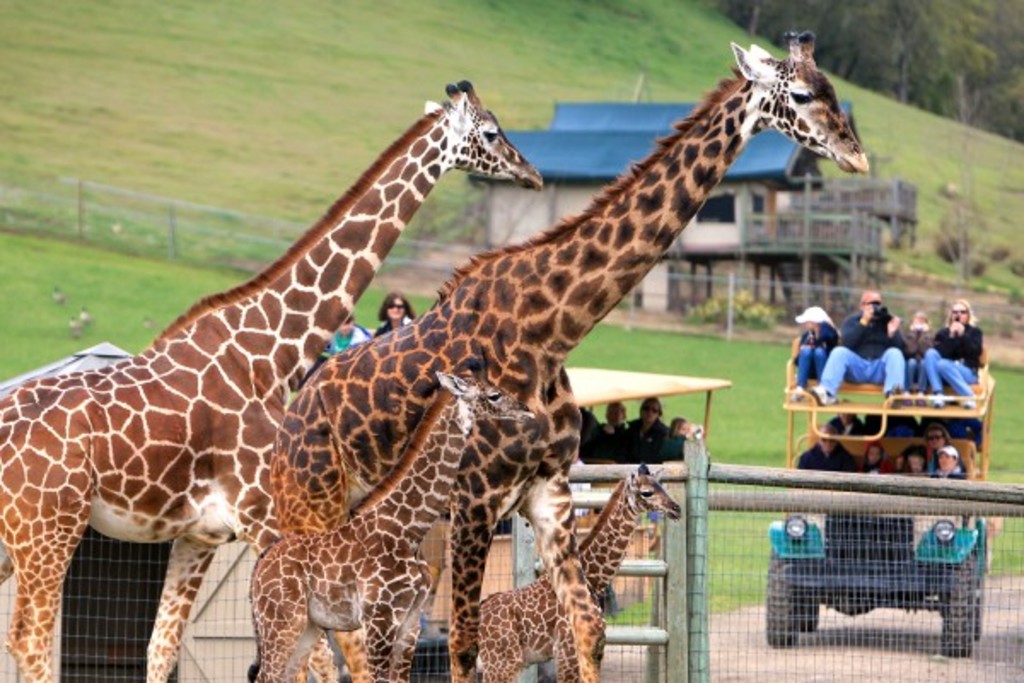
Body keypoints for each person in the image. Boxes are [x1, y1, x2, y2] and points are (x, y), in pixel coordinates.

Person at [809, 290, 906, 406]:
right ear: (862, 306)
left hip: (879, 368)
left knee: (894, 353)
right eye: (871, 304)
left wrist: (892, 334)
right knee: (839, 352)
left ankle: (893, 396)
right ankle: (826, 393)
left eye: (878, 304)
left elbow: (901, 351)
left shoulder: (887, 321)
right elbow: (846, 343)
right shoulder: (852, 321)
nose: (875, 307)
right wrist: (863, 322)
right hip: (857, 368)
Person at [923, 299, 983, 410]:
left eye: (962, 312)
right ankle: (938, 394)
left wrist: (963, 335)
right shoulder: (943, 333)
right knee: (931, 354)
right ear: (951, 315)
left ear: (968, 314)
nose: (958, 315)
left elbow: (975, 352)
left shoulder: (975, 332)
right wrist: (951, 336)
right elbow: (942, 354)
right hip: (945, 371)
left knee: (943, 364)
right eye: (955, 312)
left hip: (967, 371)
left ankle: (968, 396)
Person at [300, 316, 372, 385]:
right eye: (342, 325)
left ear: (353, 323)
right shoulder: (333, 334)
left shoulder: (361, 338)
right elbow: (322, 348)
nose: (345, 328)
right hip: (335, 363)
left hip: (352, 365)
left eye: (348, 324)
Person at [791, 305, 838, 402]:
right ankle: (801, 386)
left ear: (815, 322)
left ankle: (824, 389)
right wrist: (804, 350)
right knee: (807, 351)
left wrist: (825, 326)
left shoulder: (829, 335)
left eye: (807, 322)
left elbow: (831, 338)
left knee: (819, 352)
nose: (804, 324)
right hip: (809, 371)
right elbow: (797, 360)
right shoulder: (807, 336)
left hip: (826, 371)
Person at [621, 397, 669, 465]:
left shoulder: (664, 433)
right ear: (641, 411)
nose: (650, 412)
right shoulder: (631, 431)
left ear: (659, 414)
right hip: (630, 470)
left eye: (654, 410)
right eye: (646, 408)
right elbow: (624, 454)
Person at [903, 310, 933, 399]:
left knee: (924, 363)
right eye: (917, 321)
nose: (919, 324)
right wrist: (914, 335)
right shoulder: (907, 335)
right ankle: (906, 391)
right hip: (910, 367)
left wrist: (924, 335)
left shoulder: (930, 336)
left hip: (923, 369)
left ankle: (921, 391)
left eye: (922, 322)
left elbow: (926, 352)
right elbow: (910, 351)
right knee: (911, 362)